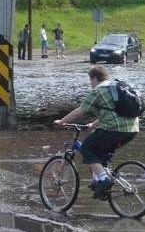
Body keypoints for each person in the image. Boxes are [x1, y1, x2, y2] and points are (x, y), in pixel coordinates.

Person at [54, 65, 139, 199]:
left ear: (94, 78)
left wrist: (62, 121)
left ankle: (103, 179)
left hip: (114, 130)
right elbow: (113, 111)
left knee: (87, 147)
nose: (90, 84)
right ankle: (101, 183)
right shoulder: (115, 87)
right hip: (132, 130)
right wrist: (93, 124)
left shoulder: (99, 91)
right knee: (100, 153)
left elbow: (80, 111)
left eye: (90, 80)